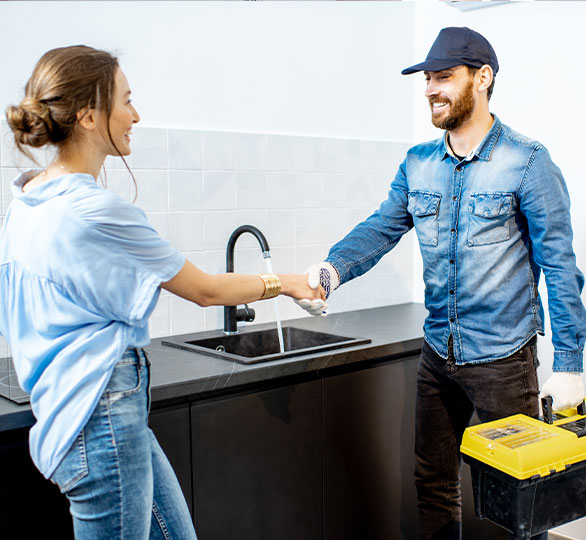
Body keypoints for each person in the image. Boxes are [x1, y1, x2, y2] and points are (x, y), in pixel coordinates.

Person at [0, 45, 323, 540]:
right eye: (126, 101)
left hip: (76, 409)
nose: (136, 114)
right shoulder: (98, 211)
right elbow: (206, 290)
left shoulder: (27, 199)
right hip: (101, 413)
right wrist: (290, 282)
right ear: (89, 115)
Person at [296, 27, 586, 540]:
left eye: (444, 77)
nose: (431, 88)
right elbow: (382, 227)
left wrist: (569, 366)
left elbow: (561, 268)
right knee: (432, 482)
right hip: (438, 355)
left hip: (504, 360)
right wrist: (332, 270)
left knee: (515, 501)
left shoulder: (528, 162)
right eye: (428, 78)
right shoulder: (418, 163)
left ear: (483, 77)